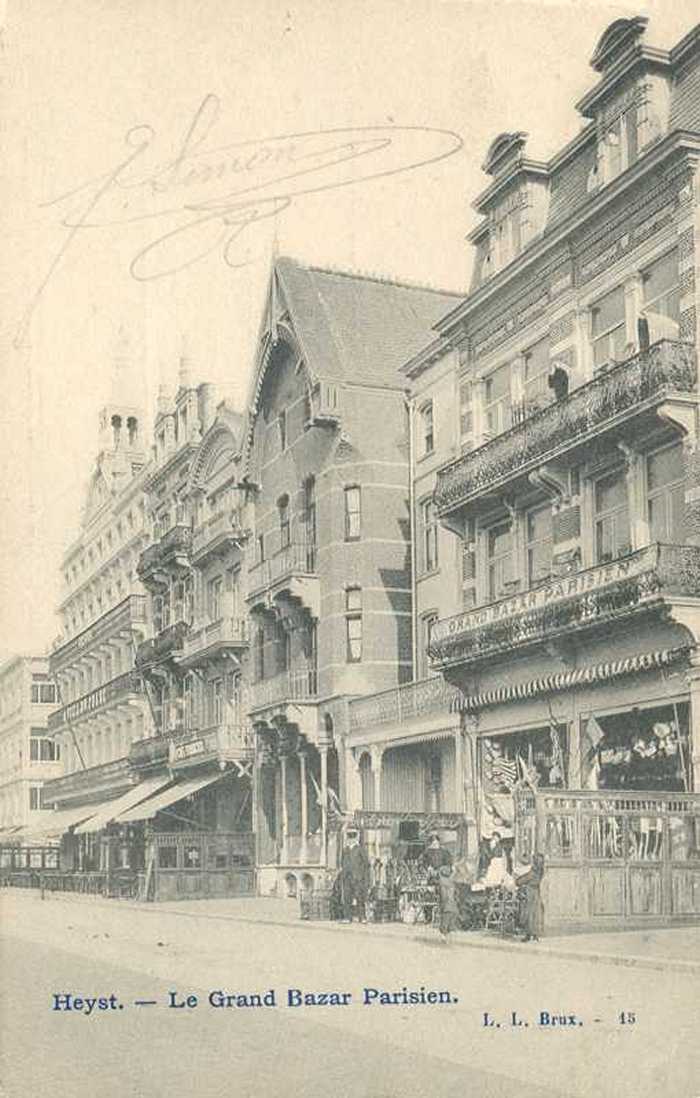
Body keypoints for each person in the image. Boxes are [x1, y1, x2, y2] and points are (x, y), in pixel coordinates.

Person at [339, 829, 370, 923]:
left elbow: (366, 864)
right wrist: (343, 873)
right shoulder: (345, 850)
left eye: (352, 837)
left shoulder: (360, 849)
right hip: (347, 877)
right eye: (349, 837)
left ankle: (362, 917)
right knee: (347, 897)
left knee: (359, 898)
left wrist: (363, 877)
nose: (351, 840)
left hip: (357, 877)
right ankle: (347, 917)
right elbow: (342, 862)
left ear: (356, 838)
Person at [516, 853, 545, 941]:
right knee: (535, 913)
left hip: (529, 893)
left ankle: (528, 934)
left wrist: (517, 880)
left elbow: (521, 881)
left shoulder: (533, 872)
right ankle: (534, 934)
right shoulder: (540, 871)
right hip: (536, 892)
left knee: (528, 913)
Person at [437, 864, 459, 942]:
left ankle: (444, 936)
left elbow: (443, 895)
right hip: (452, 903)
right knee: (450, 920)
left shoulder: (442, 881)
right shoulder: (451, 881)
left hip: (446, 903)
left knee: (445, 920)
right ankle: (447, 937)